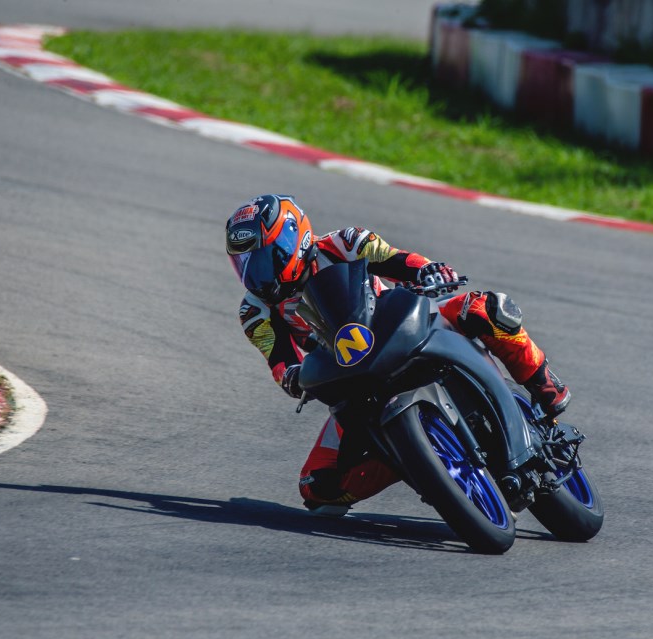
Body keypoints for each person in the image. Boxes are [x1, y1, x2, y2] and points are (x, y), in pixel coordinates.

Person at [226, 194, 571, 515]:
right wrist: (292, 377)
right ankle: (416, 460)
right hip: (351, 377)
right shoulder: (254, 312)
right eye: (245, 265)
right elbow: (280, 359)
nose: (255, 275)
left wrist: (426, 270)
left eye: (263, 260)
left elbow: (396, 259)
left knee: (486, 308)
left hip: (403, 327)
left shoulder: (345, 242)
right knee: (316, 486)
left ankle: (545, 384)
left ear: (293, 240)